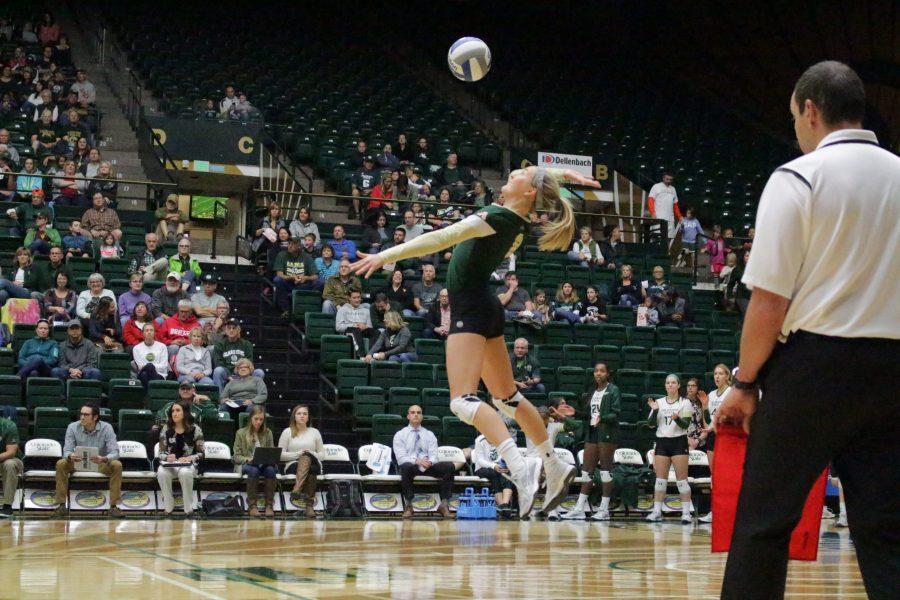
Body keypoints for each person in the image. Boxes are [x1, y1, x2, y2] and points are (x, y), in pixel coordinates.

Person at [715, 63, 899, 600]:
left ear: (811, 110)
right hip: (894, 373)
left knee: (764, 523)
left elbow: (769, 300)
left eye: (795, 115)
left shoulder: (798, 176)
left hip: (815, 370)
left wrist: (745, 383)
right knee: (890, 532)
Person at [351, 165, 597, 517]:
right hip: (485, 303)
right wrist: (566, 176)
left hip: (471, 304)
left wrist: (386, 255)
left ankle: (520, 466)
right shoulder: (518, 219)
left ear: (529, 194)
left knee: (462, 402)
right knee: (507, 397)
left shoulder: (498, 215)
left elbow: (443, 237)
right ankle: (553, 464)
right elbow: (537, 177)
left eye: (516, 178)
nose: (509, 175)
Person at [563, 362, 620, 520]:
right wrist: (576, 413)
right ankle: (580, 508)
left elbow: (616, 413)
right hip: (592, 432)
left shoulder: (613, 390)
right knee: (587, 471)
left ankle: (604, 510)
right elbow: (589, 415)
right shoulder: (591, 391)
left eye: (602, 371)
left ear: (607, 374)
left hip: (607, 433)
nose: (598, 373)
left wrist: (603, 418)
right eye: (596, 371)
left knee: (605, 471)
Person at [644, 374, 693, 524]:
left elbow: (685, 425)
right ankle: (657, 511)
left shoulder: (685, 403)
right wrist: (655, 410)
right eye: (668, 383)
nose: (670, 385)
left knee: (682, 481)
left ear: (678, 385)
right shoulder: (658, 402)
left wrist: (677, 418)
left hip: (679, 442)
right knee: (660, 480)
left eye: (673, 383)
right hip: (662, 443)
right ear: (665, 386)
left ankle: (686, 513)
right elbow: (651, 424)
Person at [393, 405, 455, 519]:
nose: (416, 414)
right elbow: (401, 457)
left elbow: (434, 455)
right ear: (408, 416)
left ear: (422, 416)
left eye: (418, 412)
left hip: (428, 466)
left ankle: (444, 504)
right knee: (405, 466)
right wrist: (417, 461)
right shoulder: (400, 435)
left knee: (449, 466)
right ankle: (409, 505)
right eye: (412, 412)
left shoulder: (429, 434)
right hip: (412, 466)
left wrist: (429, 462)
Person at [695, 364, 731, 524]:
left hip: (727, 436)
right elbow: (707, 422)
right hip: (713, 436)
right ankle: (714, 511)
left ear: (727, 376)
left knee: (728, 475)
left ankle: (729, 510)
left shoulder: (732, 393)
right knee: (714, 475)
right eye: (715, 374)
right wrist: (704, 407)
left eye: (720, 374)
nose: (717, 376)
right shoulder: (711, 395)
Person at [156, 400, 204, 517]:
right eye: (173, 411)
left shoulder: (195, 429)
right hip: (171, 465)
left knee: (184, 473)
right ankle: (168, 507)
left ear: (185, 413)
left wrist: (190, 458)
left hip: (189, 465)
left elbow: (201, 453)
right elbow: (160, 453)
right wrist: (167, 457)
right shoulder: (166, 429)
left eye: (178, 410)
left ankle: (188, 508)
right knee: (161, 472)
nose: (174, 413)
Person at [278, 404, 323, 518]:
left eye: (305, 414)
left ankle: (297, 489)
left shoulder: (315, 432)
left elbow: (322, 455)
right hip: (293, 465)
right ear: (294, 416)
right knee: (310, 467)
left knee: (308, 457)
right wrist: (297, 454)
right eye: (299, 413)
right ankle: (309, 506)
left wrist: (311, 453)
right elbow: (280, 455)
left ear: (308, 417)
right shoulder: (287, 432)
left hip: (314, 463)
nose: (302, 416)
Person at [232, 406, 276, 517]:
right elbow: (236, 456)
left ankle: (269, 505)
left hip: (264, 463)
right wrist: (247, 459)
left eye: (261, 419)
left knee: (271, 470)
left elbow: (272, 451)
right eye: (256, 419)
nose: (258, 422)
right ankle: (252, 506)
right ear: (251, 418)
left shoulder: (268, 432)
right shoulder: (240, 433)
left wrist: (268, 458)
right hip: (247, 464)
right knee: (254, 470)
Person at [472, 433, 515, 519]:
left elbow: (505, 457)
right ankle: (502, 505)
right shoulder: (479, 440)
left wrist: (507, 466)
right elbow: (480, 460)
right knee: (493, 473)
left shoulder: (501, 439)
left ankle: (504, 506)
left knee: (508, 474)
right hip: (482, 469)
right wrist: (493, 466)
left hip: (498, 468)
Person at [273, 237, 320, 316]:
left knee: (320, 282)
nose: (290, 246)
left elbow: (315, 276)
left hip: (303, 285)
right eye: (289, 243)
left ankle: (309, 309)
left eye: (293, 244)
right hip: (288, 284)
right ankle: (286, 309)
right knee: (278, 280)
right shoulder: (281, 255)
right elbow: (279, 274)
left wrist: (305, 278)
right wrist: (292, 277)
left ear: (299, 246)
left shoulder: (306, 257)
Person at [212, 319, 264, 389]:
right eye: (229, 328)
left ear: (239, 330)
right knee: (218, 371)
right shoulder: (220, 345)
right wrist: (229, 376)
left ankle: (252, 398)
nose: (231, 330)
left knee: (259, 372)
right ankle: (221, 398)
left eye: (234, 328)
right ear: (225, 330)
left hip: (243, 372)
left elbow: (249, 361)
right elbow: (218, 362)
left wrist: (242, 374)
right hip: (227, 373)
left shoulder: (246, 344)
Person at [335, 290, 378, 358]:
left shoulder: (366, 311)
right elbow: (338, 327)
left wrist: (365, 326)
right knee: (355, 330)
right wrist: (354, 325)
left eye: (358, 297)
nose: (357, 300)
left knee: (376, 332)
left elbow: (370, 327)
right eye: (354, 298)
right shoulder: (342, 310)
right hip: (349, 331)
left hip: (363, 330)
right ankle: (361, 356)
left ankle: (371, 354)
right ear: (349, 298)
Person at [132, 322, 168, 389]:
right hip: (143, 373)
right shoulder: (136, 348)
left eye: (151, 330)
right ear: (143, 333)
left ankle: (148, 396)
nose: (149, 332)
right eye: (146, 330)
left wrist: (150, 367)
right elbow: (140, 367)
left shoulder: (162, 347)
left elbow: (164, 366)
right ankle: (155, 392)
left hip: (159, 374)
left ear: (154, 333)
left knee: (145, 373)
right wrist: (150, 366)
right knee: (145, 371)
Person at [648, 171, 682, 240]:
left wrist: (679, 216)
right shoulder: (656, 186)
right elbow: (650, 200)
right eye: (667, 179)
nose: (669, 181)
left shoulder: (673, 189)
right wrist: (653, 213)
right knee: (656, 238)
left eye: (670, 180)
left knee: (668, 239)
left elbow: (675, 205)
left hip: (670, 220)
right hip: (658, 218)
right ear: (663, 178)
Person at [0, 412, 22, 517]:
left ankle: (7, 506)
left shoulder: (8, 426)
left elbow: (11, 452)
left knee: (9, 464)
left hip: (11, 459)